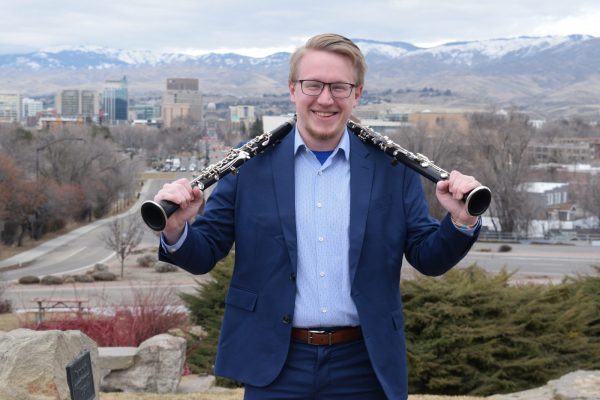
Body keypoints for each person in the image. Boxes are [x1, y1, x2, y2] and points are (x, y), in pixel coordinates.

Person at [155, 33, 482, 400]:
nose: (325, 99)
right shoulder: (249, 164)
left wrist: (460, 221)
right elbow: (205, 253)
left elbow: (428, 258)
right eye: (313, 85)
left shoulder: (393, 167)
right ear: (292, 89)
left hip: (364, 364)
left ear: (357, 94)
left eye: (340, 87)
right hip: (274, 362)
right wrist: (175, 227)